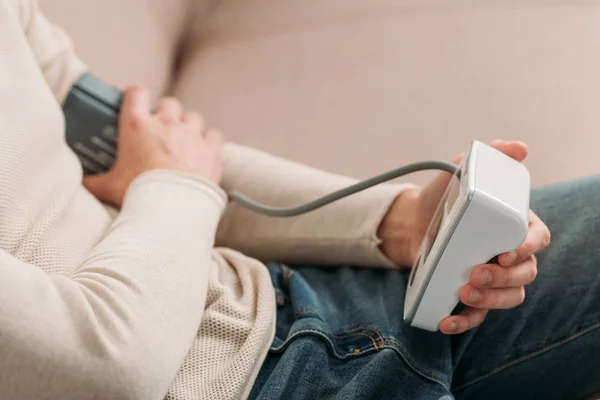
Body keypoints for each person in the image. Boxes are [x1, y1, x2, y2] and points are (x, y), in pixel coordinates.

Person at [0, 1, 598, 399]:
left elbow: (158, 150)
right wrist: (178, 183)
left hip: (286, 295)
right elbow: (105, 367)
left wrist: (398, 224)